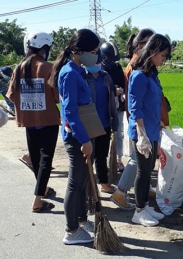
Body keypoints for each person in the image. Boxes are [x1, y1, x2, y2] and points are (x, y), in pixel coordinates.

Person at [50, 28, 100, 245]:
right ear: (79, 51)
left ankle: (81, 220)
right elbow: (69, 112)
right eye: (93, 51)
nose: (96, 55)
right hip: (76, 137)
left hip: (82, 134)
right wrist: (85, 141)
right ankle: (71, 230)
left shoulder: (77, 69)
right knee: (74, 182)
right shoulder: (70, 73)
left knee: (80, 182)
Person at [6, 31, 60, 213]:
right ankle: (38, 200)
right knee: (46, 159)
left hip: (28, 120)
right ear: (45, 48)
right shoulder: (48, 68)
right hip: (48, 120)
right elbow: (57, 97)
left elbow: (12, 96)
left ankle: (43, 189)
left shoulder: (19, 67)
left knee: (36, 157)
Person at [129, 34, 171, 227]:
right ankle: (138, 211)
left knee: (149, 171)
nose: (164, 59)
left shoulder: (152, 74)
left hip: (153, 129)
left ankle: (145, 206)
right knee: (143, 172)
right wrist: (141, 134)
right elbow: (135, 107)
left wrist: (159, 123)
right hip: (142, 133)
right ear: (152, 51)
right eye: (162, 55)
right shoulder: (138, 76)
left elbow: (153, 103)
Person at [110, 28, 154, 211]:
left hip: (140, 118)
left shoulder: (137, 63)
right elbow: (136, 99)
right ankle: (120, 192)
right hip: (138, 119)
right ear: (141, 45)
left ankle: (143, 188)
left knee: (143, 160)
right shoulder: (136, 66)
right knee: (138, 159)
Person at [84, 49, 118, 194]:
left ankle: (104, 183)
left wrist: (114, 122)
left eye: (99, 61)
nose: (97, 64)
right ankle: (87, 187)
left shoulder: (106, 77)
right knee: (88, 157)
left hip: (105, 122)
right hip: (88, 124)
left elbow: (112, 101)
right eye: (95, 61)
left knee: (102, 155)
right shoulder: (83, 77)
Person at [99, 41, 126, 172]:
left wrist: (120, 90)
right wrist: (112, 90)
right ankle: (102, 161)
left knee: (118, 132)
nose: (111, 62)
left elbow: (122, 83)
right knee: (102, 134)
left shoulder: (117, 68)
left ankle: (118, 159)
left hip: (118, 106)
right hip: (103, 106)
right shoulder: (98, 70)